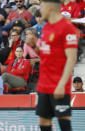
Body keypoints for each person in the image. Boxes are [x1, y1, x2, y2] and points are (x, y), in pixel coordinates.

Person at [36, 0, 78, 131]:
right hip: (43, 84)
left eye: (41, 6)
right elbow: (44, 53)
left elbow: (71, 58)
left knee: (63, 121)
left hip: (59, 85)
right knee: (43, 121)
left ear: (48, 8)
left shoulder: (67, 27)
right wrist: (33, 45)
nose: (40, 10)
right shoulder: (46, 27)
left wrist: (62, 84)